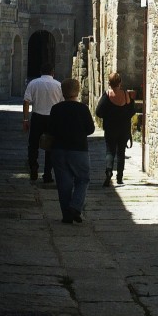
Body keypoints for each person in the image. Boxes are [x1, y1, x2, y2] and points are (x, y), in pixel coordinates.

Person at [48, 77, 95, 224]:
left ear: (63, 92)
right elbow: (91, 129)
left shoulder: (56, 109)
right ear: (77, 91)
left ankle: (66, 216)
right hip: (79, 150)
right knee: (83, 179)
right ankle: (75, 207)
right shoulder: (83, 109)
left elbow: (50, 129)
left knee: (64, 183)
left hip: (58, 150)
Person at [22, 66, 63, 183]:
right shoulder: (58, 85)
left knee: (33, 144)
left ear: (41, 72)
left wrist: (25, 119)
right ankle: (47, 174)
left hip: (37, 117)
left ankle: (33, 167)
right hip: (52, 118)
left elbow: (26, 101)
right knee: (51, 146)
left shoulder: (33, 83)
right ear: (52, 72)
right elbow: (61, 103)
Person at [95, 72, 136, 186]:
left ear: (109, 83)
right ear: (120, 82)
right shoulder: (125, 94)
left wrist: (108, 116)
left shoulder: (107, 95)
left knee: (110, 151)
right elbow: (132, 111)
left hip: (110, 128)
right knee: (121, 152)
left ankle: (109, 171)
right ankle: (119, 177)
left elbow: (98, 112)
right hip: (123, 128)